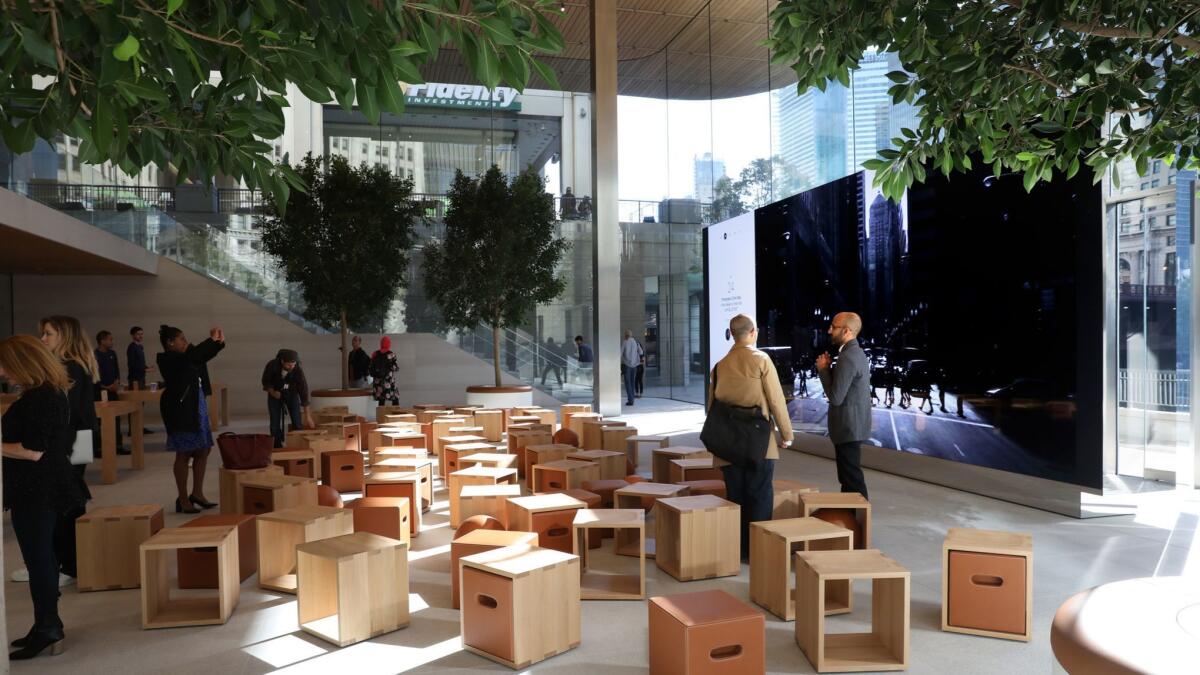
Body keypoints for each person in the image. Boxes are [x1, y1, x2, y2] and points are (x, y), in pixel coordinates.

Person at [0, 335, 86, 660]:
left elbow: (33, 451)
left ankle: (49, 627)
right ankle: (45, 624)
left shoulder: (40, 398)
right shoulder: (50, 392)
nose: (3, 371)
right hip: (45, 486)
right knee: (43, 560)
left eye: (6, 364)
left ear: (23, 362)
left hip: (37, 489)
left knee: (40, 561)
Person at [708, 314, 793, 559]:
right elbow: (776, 400)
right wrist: (786, 434)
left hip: (728, 442)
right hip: (758, 441)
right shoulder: (761, 360)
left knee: (735, 496)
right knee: (760, 494)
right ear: (753, 332)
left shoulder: (720, 365)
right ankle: (758, 551)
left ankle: (739, 548)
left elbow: (711, 404)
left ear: (731, 334)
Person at [28, 316, 98, 588]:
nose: (43, 340)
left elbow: (70, 413)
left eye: (48, 334)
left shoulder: (71, 367)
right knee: (67, 498)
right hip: (77, 438)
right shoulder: (73, 365)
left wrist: (57, 446)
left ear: (64, 336)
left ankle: (67, 563)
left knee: (66, 501)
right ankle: (63, 561)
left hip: (73, 440)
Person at [157, 324, 224, 514]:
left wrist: (217, 344)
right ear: (170, 343)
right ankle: (183, 498)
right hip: (181, 409)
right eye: (182, 339)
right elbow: (195, 355)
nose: (186, 342)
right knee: (184, 453)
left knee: (203, 449)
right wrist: (212, 341)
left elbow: (200, 356)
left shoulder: (186, 356)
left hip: (196, 406)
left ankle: (197, 494)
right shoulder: (168, 358)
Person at [816, 312, 872, 499]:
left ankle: (859, 522)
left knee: (851, 480)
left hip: (848, 428)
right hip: (852, 426)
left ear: (846, 331)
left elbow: (835, 397)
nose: (829, 330)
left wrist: (824, 371)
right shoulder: (855, 353)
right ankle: (852, 520)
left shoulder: (848, 357)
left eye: (834, 326)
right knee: (849, 479)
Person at [262, 349, 314, 447]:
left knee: (297, 421)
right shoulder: (272, 365)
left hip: (292, 394)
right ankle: (277, 446)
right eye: (288, 365)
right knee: (274, 423)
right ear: (282, 361)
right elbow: (266, 381)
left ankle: (298, 445)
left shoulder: (297, 370)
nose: (291, 367)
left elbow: (304, 392)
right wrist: (272, 392)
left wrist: (308, 416)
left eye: (293, 364)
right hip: (275, 394)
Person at [93, 329, 126, 454]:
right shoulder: (94, 355)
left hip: (113, 390)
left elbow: (116, 370)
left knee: (116, 417)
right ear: (102, 341)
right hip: (100, 391)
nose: (112, 341)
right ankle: (98, 448)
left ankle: (118, 446)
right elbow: (94, 376)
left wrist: (116, 383)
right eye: (110, 339)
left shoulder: (112, 353)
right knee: (100, 419)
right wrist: (106, 387)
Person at [126, 326, 154, 434]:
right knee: (134, 404)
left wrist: (146, 368)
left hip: (141, 378)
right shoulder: (131, 347)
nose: (141, 336)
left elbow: (140, 363)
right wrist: (145, 369)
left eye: (142, 334)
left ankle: (139, 427)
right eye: (138, 334)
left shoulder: (140, 347)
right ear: (133, 335)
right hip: (135, 380)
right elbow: (132, 365)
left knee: (141, 404)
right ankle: (132, 429)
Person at [370, 336, 399, 405]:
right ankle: (395, 414)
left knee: (381, 400)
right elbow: (395, 368)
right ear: (388, 343)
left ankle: (380, 414)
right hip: (388, 381)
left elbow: (371, 366)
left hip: (377, 381)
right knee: (395, 397)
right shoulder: (391, 354)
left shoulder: (375, 354)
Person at [620, 329, 640, 406]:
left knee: (628, 383)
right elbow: (640, 352)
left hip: (627, 365)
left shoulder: (625, 342)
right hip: (634, 365)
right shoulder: (635, 342)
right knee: (632, 382)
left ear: (625, 335)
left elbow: (620, 353)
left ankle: (630, 400)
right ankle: (632, 399)